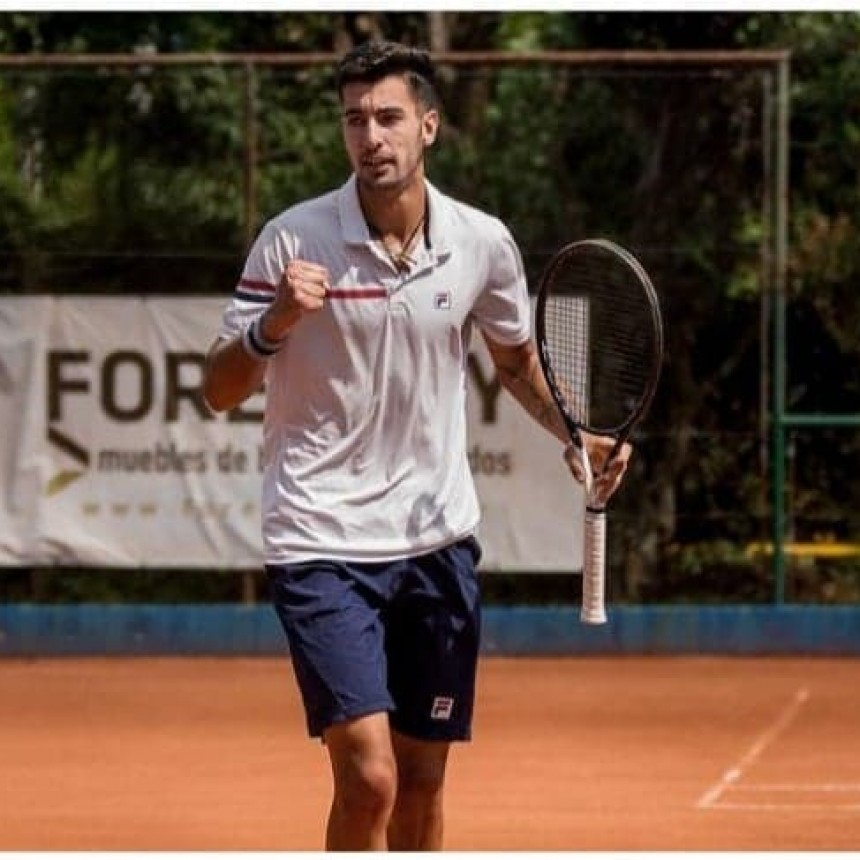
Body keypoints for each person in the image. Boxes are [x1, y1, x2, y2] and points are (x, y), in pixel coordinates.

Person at [202, 39, 630, 851]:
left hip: (436, 542)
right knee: (369, 779)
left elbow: (514, 360)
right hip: (320, 537)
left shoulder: (481, 243)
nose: (372, 136)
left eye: (389, 117)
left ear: (428, 126)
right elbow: (219, 388)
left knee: (423, 784)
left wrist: (576, 435)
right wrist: (273, 323)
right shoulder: (292, 242)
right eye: (355, 120)